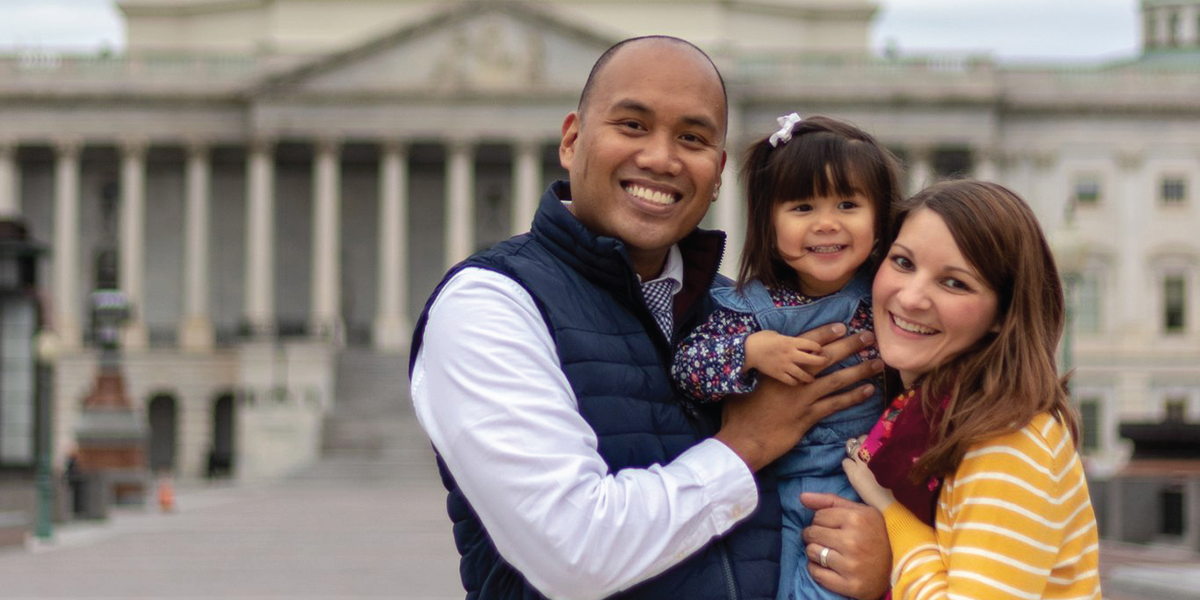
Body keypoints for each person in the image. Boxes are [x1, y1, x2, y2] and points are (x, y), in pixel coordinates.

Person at [409, 36, 890, 600]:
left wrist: (884, 554)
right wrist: (748, 443)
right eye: (632, 125)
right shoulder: (491, 304)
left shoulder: (743, 308)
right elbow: (575, 552)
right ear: (572, 140)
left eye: (692, 137)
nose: (661, 159)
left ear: (717, 172)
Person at [671, 114, 902, 600]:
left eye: (847, 203)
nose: (826, 223)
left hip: (861, 483)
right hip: (768, 493)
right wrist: (750, 352)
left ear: (880, 221)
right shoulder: (747, 309)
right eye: (801, 206)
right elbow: (689, 369)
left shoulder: (890, 299)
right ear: (767, 223)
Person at [840, 180, 1102, 600]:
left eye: (954, 283)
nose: (910, 298)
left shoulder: (1008, 439)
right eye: (903, 262)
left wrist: (892, 520)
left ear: (1003, 313)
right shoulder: (922, 410)